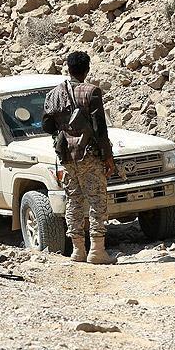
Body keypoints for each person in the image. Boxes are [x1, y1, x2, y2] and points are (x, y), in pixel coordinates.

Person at [43, 51, 116, 265]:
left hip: (67, 157)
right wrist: (108, 157)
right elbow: (100, 129)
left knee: (73, 201)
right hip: (89, 156)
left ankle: (77, 251)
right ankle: (97, 251)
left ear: (68, 68)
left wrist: (66, 131)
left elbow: (47, 125)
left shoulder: (54, 94)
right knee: (97, 200)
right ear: (87, 70)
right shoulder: (91, 92)